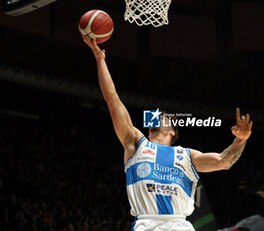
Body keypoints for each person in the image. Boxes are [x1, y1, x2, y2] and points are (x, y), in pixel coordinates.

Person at [83, 36, 253, 231]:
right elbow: (113, 101)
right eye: (155, 118)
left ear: (173, 131)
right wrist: (100, 59)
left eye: (163, 117)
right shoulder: (136, 144)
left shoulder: (187, 155)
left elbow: (224, 161)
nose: (157, 119)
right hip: (146, 223)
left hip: (179, 224)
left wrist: (241, 139)